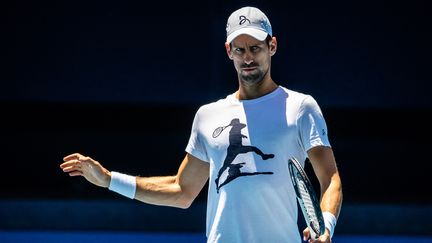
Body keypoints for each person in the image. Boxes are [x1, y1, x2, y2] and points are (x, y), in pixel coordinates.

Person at [60, 6, 342, 243]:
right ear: (228, 51)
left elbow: (330, 179)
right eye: (239, 49)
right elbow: (181, 190)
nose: (247, 58)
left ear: (272, 46)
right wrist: (109, 180)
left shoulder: (301, 107)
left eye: (255, 48)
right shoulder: (208, 115)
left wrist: (326, 225)